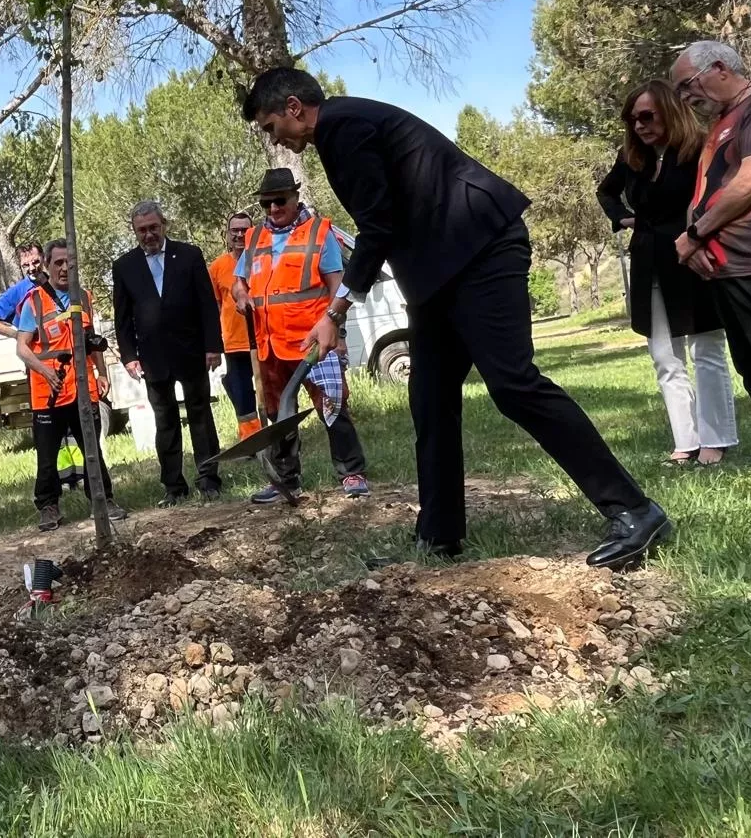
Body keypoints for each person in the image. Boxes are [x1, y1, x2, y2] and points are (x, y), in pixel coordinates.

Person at [242, 68, 670, 569]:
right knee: (429, 399)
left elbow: (378, 227)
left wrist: (335, 311)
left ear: (294, 107)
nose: (276, 139)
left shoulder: (342, 126)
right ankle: (439, 534)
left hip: (480, 249)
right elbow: (394, 218)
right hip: (440, 271)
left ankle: (636, 511)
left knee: (513, 385)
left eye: (272, 126)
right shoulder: (343, 126)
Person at [598, 79, 737, 467]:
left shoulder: (699, 150)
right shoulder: (631, 158)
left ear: (669, 112)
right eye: (632, 119)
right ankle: (685, 443)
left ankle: (716, 439)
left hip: (691, 258)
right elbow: (606, 192)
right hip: (647, 263)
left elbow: (717, 199)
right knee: (664, 356)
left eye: (646, 116)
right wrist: (622, 219)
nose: (639, 125)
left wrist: (699, 238)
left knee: (705, 348)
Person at [670, 41, 751, 475]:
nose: (687, 98)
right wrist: (695, 242)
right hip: (726, 267)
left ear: (719, 67)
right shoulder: (721, 124)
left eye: (687, 86)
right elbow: (702, 193)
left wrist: (695, 235)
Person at [230, 168, 372, 502]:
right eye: (266, 204)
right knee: (279, 414)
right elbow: (240, 282)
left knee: (332, 406)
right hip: (270, 345)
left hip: (313, 343)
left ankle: (351, 473)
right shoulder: (253, 239)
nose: (273, 209)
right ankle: (286, 480)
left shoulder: (319, 234)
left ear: (295, 198)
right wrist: (240, 296)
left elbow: (339, 286)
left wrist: (334, 329)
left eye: (280, 201)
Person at [111, 200, 225, 505]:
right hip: (153, 358)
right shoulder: (124, 266)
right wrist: (129, 356)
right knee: (165, 422)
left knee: (200, 416)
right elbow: (122, 318)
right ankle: (173, 486)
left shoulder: (189, 255)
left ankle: (209, 478)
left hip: (191, 351)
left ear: (164, 225)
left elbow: (207, 304)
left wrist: (213, 346)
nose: (148, 235)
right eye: (141, 230)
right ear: (134, 232)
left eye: (153, 228)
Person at [14, 241, 129, 531]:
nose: (65, 268)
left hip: (83, 388)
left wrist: (102, 373)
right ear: (48, 266)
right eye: (59, 263)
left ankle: (103, 500)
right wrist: (44, 371)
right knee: (47, 453)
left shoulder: (84, 297)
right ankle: (48, 506)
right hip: (48, 393)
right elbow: (22, 348)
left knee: (92, 447)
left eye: (70, 262)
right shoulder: (34, 301)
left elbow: (93, 341)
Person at [208, 211, 262, 444]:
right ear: (228, 234)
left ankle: (281, 438)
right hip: (234, 343)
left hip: (264, 340)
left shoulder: (263, 259)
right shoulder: (218, 266)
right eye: (235, 230)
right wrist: (213, 346)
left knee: (269, 393)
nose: (240, 235)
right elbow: (213, 308)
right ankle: (252, 441)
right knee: (242, 396)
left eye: (245, 230)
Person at [0, 242, 46, 337]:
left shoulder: (58, 282)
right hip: (38, 349)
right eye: (26, 265)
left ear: (44, 257)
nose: (32, 268)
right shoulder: (18, 291)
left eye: (36, 262)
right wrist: (17, 335)